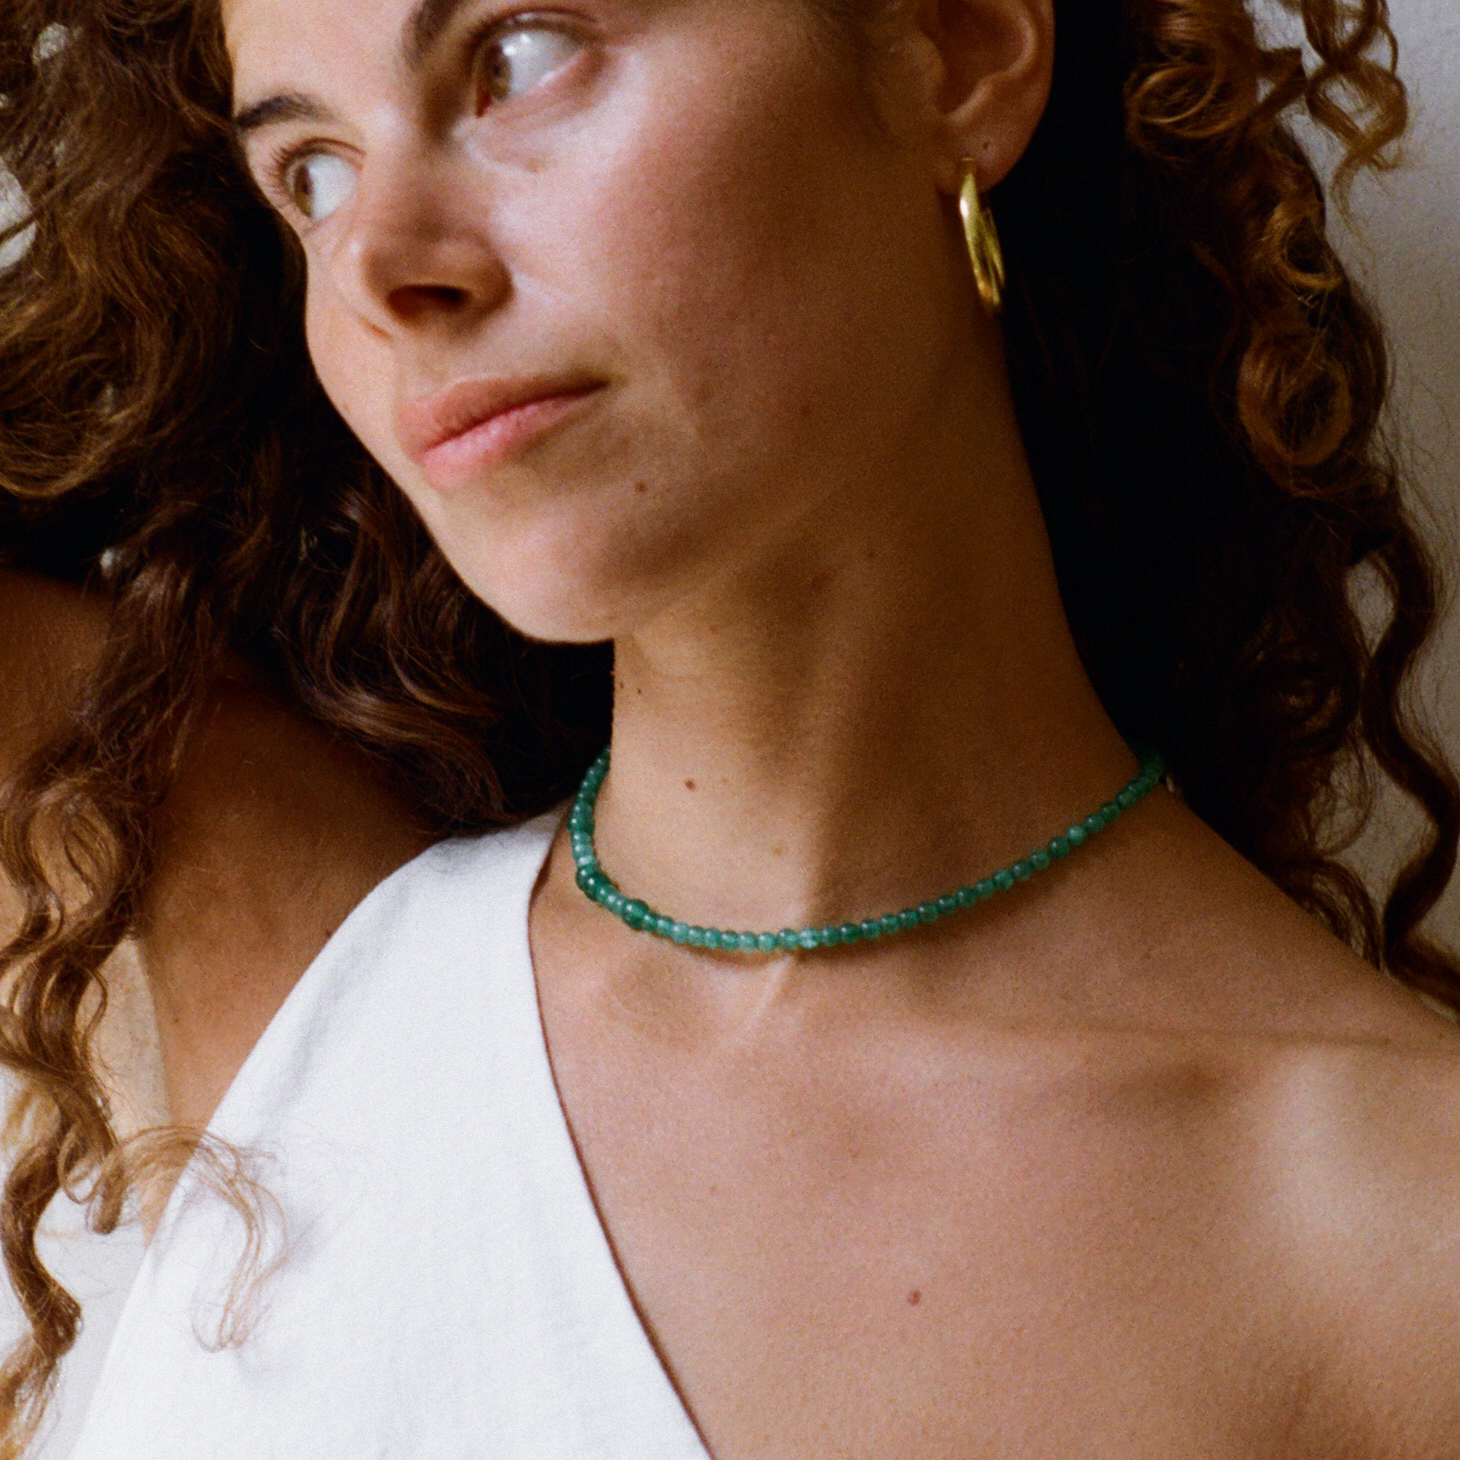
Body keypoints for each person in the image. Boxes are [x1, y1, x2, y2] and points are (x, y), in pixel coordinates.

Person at [1, 0, 1459, 1454]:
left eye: (516, 59)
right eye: (308, 172)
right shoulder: (267, 908)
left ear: (956, 48)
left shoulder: (1400, 1240)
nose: (382, 266)